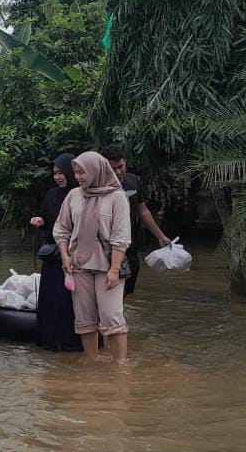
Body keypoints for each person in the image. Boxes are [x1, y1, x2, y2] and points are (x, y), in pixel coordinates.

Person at [54, 151, 131, 361]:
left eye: (83, 172)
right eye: (76, 172)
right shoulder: (74, 195)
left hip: (108, 264)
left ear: (97, 170)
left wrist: (115, 270)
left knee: (111, 316)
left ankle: (121, 367)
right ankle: (92, 363)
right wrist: (65, 257)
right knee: (84, 318)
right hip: (78, 263)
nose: (79, 177)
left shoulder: (117, 196)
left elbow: (121, 236)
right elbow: (61, 229)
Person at [99, 144, 172, 296]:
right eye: (113, 168)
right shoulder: (97, 186)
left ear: (125, 162)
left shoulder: (133, 181)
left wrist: (160, 236)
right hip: (104, 246)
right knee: (107, 285)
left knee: (128, 282)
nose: (118, 172)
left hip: (129, 243)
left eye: (121, 166)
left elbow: (143, 210)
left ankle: (119, 313)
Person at [29, 153, 80, 351]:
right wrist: (39, 221)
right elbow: (47, 220)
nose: (58, 177)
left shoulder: (81, 194)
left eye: (61, 172)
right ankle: (50, 341)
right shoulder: (51, 195)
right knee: (52, 299)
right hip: (54, 257)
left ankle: (73, 343)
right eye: (55, 173)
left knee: (71, 302)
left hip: (76, 257)